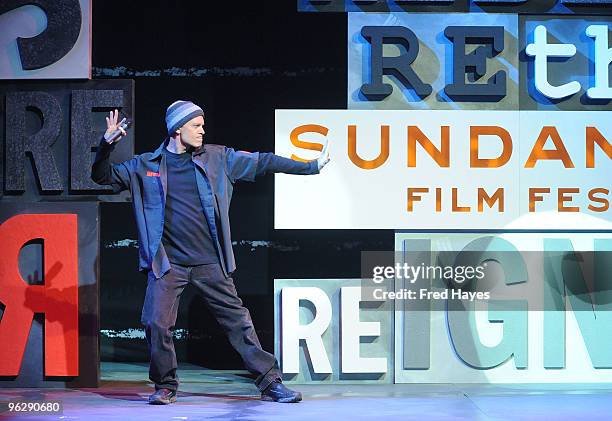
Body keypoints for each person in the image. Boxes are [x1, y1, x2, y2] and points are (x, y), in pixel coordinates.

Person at [91, 101, 329, 405]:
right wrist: (105, 145)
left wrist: (309, 167)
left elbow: (264, 161)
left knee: (237, 322)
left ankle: (270, 383)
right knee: (155, 321)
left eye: (202, 125)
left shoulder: (218, 158)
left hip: (209, 261)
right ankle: (165, 385)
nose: (202, 130)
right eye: (196, 125)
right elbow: (102, 176)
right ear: (177, 129)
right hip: (168, 263)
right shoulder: (145, 166)